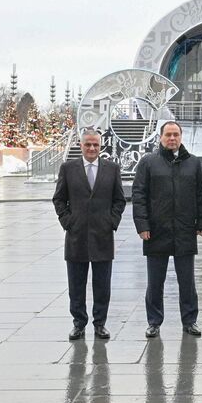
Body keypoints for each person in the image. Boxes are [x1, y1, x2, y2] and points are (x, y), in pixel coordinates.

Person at [52, 128, 127, 341]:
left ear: (100, 146)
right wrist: (68, 221)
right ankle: (78, 323)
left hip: (102, 237)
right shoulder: (68, 168)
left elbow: (119, 200)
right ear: (81, 145)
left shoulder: (112, 169)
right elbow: (59, 199)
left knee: (102, 285)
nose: (92, 148)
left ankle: (100, 323)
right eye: (88, 144)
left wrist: (112, 222)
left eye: (96, 144)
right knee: (76, 285)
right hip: (76, 237)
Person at [132, 121, 202, 339]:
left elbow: (201, 195)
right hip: (156, 231)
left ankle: (189, 321)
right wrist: (142, 225)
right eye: (168, 135)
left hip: (184, 231)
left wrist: (201, 222)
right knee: (155, 282)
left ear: (181, 137)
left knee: (187, 282)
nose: (172, 138)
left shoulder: (193, 163)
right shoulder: (148, 163)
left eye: (176, 135)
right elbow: (139, 195)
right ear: (161, 137)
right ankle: (154, 322)